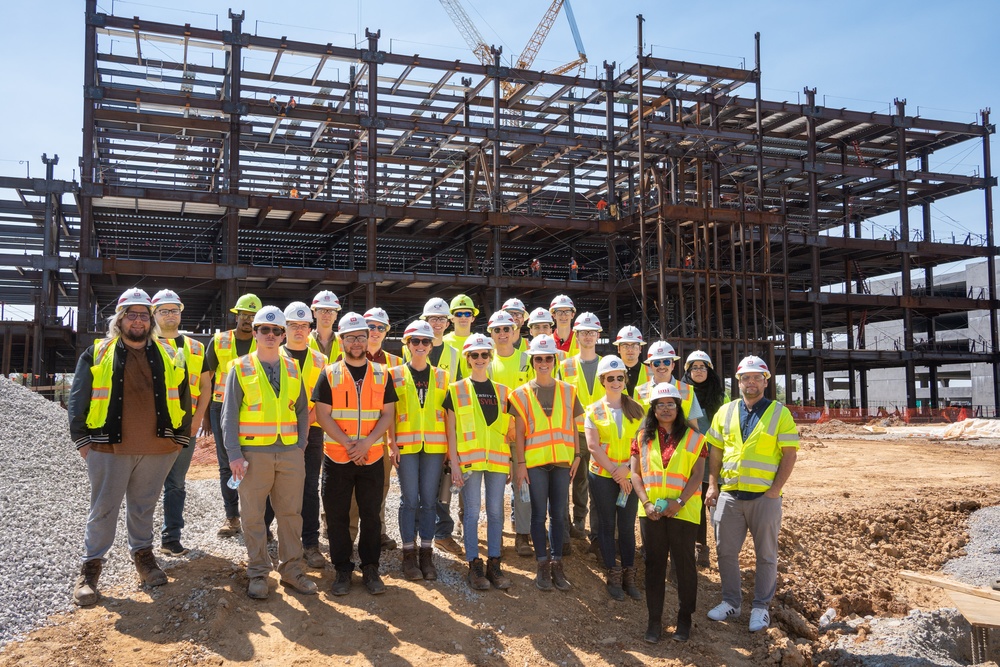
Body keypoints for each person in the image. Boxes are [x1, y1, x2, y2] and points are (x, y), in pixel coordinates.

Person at [68, 288, 191, 606]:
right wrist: (83, 442)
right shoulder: (97, 352)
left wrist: (180, 438)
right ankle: (90, 572)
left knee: (143, 508)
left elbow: (183, 395)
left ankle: (144, 561)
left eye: (143, 315)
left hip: (158, 448)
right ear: (119, 319)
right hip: (108, 449)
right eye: (131, 314)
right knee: (103, 511)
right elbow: (78, 397)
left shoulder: (167, 352)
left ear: (150, 320)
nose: (137, 320)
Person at [222, 306, 317, 599]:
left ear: (283, 335)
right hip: (253, 454)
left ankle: (291, 570)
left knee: (291, 514)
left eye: (277, 331)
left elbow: (302, 410)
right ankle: (258, 573)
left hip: (289, 452)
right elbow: (229, 415)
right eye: (265, 330)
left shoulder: (292, 367)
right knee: (253, 515)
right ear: (255, 332)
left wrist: (300, 444)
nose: (271, 335)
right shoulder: (240, 367)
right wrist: (234, 454)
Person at [704, 355, 798, 633]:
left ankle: (760, 607)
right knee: (725, 552)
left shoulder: (780, 413)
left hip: (763, 498)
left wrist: (775, 490)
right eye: (746, 378)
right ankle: (731, 602)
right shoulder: (726, 411)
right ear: (739, 382)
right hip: (731, 496)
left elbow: (789, 454)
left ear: (766, 381)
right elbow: (716, 450)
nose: (752, 382)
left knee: (766, 555)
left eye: (757, 377)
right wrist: (712, 485)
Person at [313, 312, 397, 596]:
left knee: (371, 515)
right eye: (351, 337)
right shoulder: (329, 373)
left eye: (362, 336)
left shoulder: (382, 374)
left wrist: (367, 443)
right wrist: (351, 444)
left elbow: (388, 414)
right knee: (337, 516)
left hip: (372, 456)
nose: (358, 342)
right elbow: (323, 416)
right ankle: (343, 569)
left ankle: (371, 568)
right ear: (341, 340)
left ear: (368, 338)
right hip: (337, 457)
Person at [631, 383, 707, 644]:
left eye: (670, 404)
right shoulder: (641, 437)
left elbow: (698, 474)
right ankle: (654, 623)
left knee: (684, 567)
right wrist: (646, 503)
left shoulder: (695, 437)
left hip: (683, 512)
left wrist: (680, 501)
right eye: (660, 405)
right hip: (651, 512)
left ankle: (684, 620)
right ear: (652, 409)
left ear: (678, 407)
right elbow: (635, 474)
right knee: (654, 567)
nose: (665, 409)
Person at [511, 335, 584, 592]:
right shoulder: (520, 394)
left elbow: (575, 427)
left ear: (554, 360)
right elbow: (519, 432)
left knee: (558, 516)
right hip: (535, 462)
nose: (543, 362)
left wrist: (576, 455)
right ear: (532, 361)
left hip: (562, 462)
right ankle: (541, 565)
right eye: (539, 358)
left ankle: (557, 564)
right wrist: (520, 463)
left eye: (548, 358)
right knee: (538, 514)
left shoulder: (568, 390)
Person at [445, 333, 515, 591]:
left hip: (497, 460)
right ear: (467, 358)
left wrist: (508, 460)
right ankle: (474, 564)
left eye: (484, 354)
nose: (480, 359)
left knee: (497, 513)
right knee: (472, 513)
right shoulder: (456, 390)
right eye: (474, 355)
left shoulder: (503, 392)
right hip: (470, 462)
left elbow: (507, 430)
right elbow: (450, 430)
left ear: (490, 357)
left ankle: (494, 563)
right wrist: (454, 462)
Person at [389, 320, 449, 582]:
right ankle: (408, 554)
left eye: (426, 341)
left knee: (428, 500)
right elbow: (389, 413)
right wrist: (391, 443)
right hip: (406, 446)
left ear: (432, 345)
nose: (421, 346)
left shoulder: (443, 376)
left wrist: (450, 449)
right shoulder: (395, 374)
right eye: (416, 341)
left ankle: (426, 552)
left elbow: (449, 416)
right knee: (409, 500)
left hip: (435, 447)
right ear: (407, 344)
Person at [271, 302, 330, 569]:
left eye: (303, 325)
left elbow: (323, 401)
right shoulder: (272, 355)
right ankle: (267, 541)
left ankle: (310, 544)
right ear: (285, 328)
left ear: (310, 328)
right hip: (279, 433)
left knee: (308, 488)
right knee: (274, 486)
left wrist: (306, 428)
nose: (299, 330)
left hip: (313, 433)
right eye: (293, 325)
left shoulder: (321, 360)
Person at [585, 355, 646, 601]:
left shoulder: (637, 409)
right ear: (603, 380)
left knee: (627, 527)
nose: (616, 382)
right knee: (607, 526)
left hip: (629, 475)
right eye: (611, 378)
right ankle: (613, 573)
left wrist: (627, 472)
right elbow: (593, 446)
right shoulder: (594, 410)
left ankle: (629, 575)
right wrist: (616, 472)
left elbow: (643, 445)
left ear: (625, 379)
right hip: (602, 476)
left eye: (620, 377)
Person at [151, 289, 206, 557]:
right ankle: (139, 543)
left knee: (176, 484)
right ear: (154, 314)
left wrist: (197, 419)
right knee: (145, 483)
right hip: (150, 427)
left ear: (181, 312)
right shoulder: (145, 344)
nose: (170, 315)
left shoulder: (196, 348)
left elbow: (206, 387)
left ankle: (170, 538)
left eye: (174, 310)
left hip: (185, 426)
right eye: (164, 310)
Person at [201, 293, 261, 537]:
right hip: (220, 406)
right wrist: (205, 416)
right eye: (244, 315)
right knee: (227, 464)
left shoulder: (265, 341)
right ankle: (232, 517)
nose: (248, 320)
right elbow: (207, 380)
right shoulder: (219, 341)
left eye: (253, 316)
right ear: (236, 316)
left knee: (256, 464)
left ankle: (256, 519)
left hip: (254, 408)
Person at [353, 306, 402, 551]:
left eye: (380, 328)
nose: (374, 331)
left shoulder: (395, 364)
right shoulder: (347, 356)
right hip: (350, 437)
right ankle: (341, 528)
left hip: (380, 438)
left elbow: (395, 408)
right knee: (347, 486)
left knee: (380, 486)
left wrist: (393, 440)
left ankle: (378, 530)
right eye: (370, 326)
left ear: (386, 331)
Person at [436, 294, 480, 554]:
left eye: (467, 313)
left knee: (465, 472)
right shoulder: (441, 342)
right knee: (443, 479)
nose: (463, 317)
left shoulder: (480, 344)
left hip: (463, 418)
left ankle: (464, 523)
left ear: (473, 316)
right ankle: (441, 529)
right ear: (452, 318)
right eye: (458, 313)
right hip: (437, 419)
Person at [559, 312, 605, 549]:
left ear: (598, 335)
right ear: (576, 335)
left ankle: (581, 520)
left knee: (591, 480)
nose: (588, 336)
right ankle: (567, 523)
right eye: (584, 332)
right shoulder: (564, 365)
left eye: (592, 332)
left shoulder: (607, 364)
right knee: (569, 478)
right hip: (572, 432)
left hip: (599, 433)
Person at [681, 350, 727, 568]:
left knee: (716, 504)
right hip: (691, 457)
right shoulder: (681, 393)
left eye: (702, 367)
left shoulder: (721, 397)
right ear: (688, 371)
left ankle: (723, 549)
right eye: (694, 367)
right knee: (694, 505)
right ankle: (700, 547)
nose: (698, 371)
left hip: (716, 457)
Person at [636, 341, 703, 431]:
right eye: (657, 363)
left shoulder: (687, 390)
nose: (662, 366)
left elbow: (694, 427)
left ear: (673, 365)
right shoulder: (640, 391)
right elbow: (637, 427)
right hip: (650, 443)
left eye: (666, 362)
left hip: (680, 443)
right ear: (651, 366)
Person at [416, 297, 461, 382]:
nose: (438, 322)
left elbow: (457, 384)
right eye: (433, 318)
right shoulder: (411, 350)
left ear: (447, 324)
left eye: (442, 319)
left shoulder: (454, 354)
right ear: (426, 322)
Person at [613, 325, 647, 399]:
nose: (630, 350)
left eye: (634, 345)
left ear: (640, 348)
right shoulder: (611, 373)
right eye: (625, 346)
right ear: (619, 349)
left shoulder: (651, 373)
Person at [308, 290, 342, 363]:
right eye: (322, 310)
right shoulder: (304, 341)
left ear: (336, 315)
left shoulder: (344, 342)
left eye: (331, 311)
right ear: (314, 313)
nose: (326, 315)